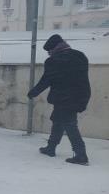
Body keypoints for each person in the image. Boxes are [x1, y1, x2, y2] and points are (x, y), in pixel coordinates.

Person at [28, 33, 91, 165]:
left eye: (49, 51)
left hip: (63, 98)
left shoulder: (54, 61)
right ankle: (51, 148)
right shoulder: (80, 56)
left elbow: (46, 80)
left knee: (69, 124)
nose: (49, 54)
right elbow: (83, 79)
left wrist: (33, 92)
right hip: (80, 96)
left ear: (54, 48)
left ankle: (81, 155)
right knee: (58, 120)